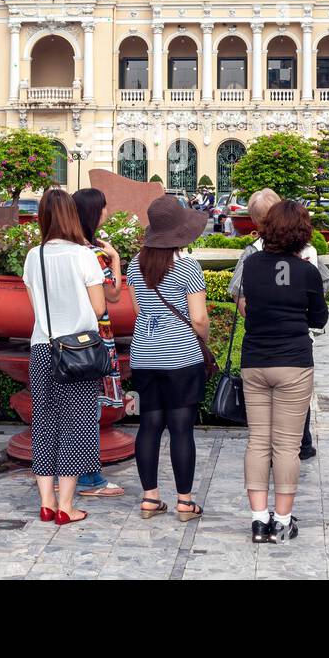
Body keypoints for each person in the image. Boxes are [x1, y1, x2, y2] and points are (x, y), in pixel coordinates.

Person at [239, 200, 329, 543]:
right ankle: (283, 520)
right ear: (301, 232)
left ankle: (259, 520)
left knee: (258, 442)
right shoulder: (306, 271)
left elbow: (249, 307)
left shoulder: (251, 266)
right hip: (293, 361)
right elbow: (319, 318)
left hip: (256, 361)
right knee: (288, 447)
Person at [21, 188, 107, 526]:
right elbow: (100, 308)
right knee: (76, 425)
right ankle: (66, 506)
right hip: (78, 352)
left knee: (44, 422)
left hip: (42, 347)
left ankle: (46, 502)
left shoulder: (33, 256)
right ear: (72, 216)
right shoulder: (84, 256)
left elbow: (36, 308)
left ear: (42, 217)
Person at [229, 188, 329, 460]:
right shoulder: (307, 252)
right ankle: (301, 443)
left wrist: (258, 313)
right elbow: (325, 288)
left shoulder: (251, 256)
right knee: (296, 398)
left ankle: (280, 452)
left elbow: (238, 294)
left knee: (260, 433)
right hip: (297, 343)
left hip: (260, 347)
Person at [126, 195, 210, 523]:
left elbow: (137, 310)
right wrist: (200, 340)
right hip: (181, 358)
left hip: (144, 356)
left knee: (149, 425)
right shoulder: (188, 267)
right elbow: (199, 318)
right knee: (180, 429)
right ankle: (185, 503)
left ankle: (149, 498)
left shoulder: (135, 264)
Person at [70, 187, 128, 498]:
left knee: (66, 408)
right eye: (103, 208)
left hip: (63, 335)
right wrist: (116, 258)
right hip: (94, 338)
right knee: (89, 408)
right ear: (94, 213)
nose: (107, 212)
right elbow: (114, 295)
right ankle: (90, 479)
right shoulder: (95, 254)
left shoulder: (59, 249)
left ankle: (62, 474)